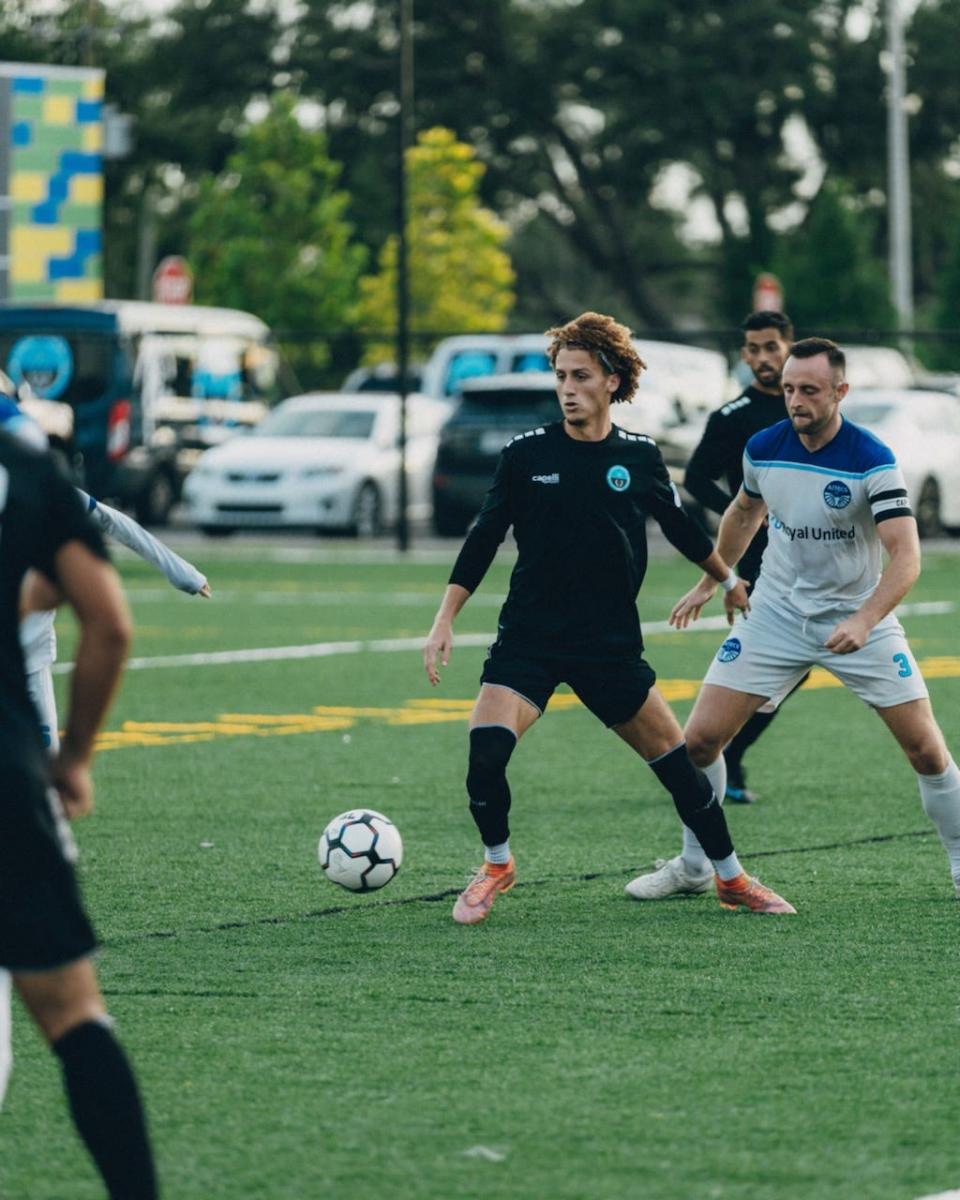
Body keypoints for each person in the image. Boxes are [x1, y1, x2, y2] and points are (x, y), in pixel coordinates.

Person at [422, 311, 795, 924]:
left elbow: (682, 528)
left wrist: (726, 580)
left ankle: (731, 879)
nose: (567, 388)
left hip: (608, 647)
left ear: (613, 381)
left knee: (682, 773)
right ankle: (497, 865)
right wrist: (445, 619)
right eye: (560, 376)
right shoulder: (525, 455)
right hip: (530, 640)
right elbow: (484, 537)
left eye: (581, 376)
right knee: (485, 756)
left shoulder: (640, 458)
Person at [627, 337, 960, 901]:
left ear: (840, 392)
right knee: (701, 742)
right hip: (775, 614)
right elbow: (744, 511)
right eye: (788, 389)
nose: (795, 400)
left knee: (925, 750)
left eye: (809, 390)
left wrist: (864, 619)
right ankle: (693, 866)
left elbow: (906, 557)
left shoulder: (871, 458)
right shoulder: (763, 446)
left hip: (858, 623)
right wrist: (717, 579)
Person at [0, 393, 209, 1114]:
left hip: (23, 683)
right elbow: (107, 616)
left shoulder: (33, 490)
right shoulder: (31, 481)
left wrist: (179, 569)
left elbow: (110, 521)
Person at [0, 429, 158, 1197]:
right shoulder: (25, 468)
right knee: (71, 1014)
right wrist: (76, 759)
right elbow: (111, 622)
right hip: (5, 778)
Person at [683, 309, 804, 804]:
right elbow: (694, 479)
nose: (761, 358)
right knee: (757, 665)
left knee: (796, 668)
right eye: (752, 349)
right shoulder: (733, 418)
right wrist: (742, 515)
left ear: (789, 347)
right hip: (755, 562)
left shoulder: (808, 406)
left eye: (770, 347)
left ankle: (725, 752)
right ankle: (717, 755)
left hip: (813, 557)